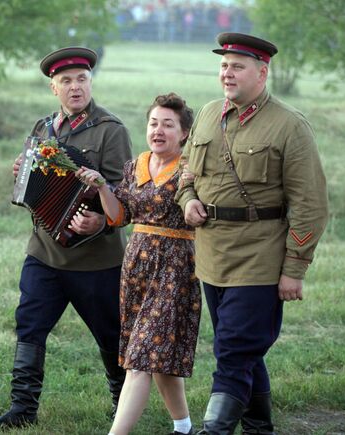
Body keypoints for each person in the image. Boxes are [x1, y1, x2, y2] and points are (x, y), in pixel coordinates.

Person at [175, 33, 329, 434]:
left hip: (260, 257)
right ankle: (259, 428)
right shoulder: (208, 114)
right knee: (245, 351)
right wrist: (188, 198)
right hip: (212, 255)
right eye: (224, 65)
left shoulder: (289, 126)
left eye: (237, 66)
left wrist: (294, 268)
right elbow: (186, 172)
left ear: (262, 72)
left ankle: (214, 430)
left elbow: (310, 205)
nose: (227, 73)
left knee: (232, 351)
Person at [0, 46, 132, 429]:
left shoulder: (110, 130)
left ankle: (122, 403)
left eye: (81, 79)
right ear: (54, 88)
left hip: (96, 259)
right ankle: (22, 409)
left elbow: (124, 192)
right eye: (65, 81)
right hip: (44, 251)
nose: (75, 87)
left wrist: (101, 222)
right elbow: (31, 184)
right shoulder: (42, 128)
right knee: (30, 325)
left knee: (111, 333)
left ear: (90, 82)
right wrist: (21, 173)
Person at [77, 93, 202, 435]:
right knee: (155, 358)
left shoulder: (191, 168)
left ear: (184, 133)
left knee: (140, 359)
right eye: (153, 123)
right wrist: (103, 187)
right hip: (136, 267)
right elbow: (120, 217)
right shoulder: (136, 165)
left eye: (168, 124)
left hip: (175, 267)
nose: (158, 130)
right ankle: (184, 427)